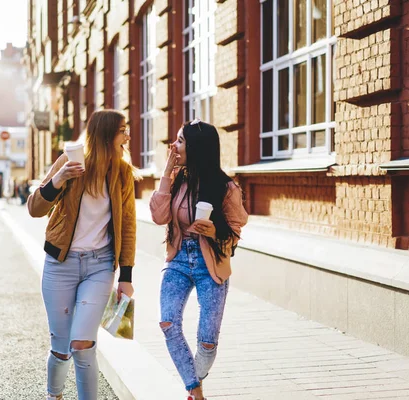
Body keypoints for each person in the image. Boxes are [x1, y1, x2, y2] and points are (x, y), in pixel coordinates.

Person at [27, 109, 137, 400]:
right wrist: (59, 179)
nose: (128, 135)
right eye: (123, 130)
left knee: (82, 344)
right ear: (105, 134)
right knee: (61, 345)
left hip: (99, 266)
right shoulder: (70, 161)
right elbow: (34, 208)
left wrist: (125, 276)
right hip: (60, 264)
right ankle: (54, 395)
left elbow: (127, 225)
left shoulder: (123, 172)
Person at [149, 118, 248, 400]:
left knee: (207, 341)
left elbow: (236, 230)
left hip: (210, 264)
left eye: (180, 141)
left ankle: (196, 380)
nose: (174, 145)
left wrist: (215, 230)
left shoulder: (225, 187)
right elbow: (158, 216)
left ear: (197, 148)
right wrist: (167, 172)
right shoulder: (178, 179)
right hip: (179, 259)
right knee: (168, 322)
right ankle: (194, 389)